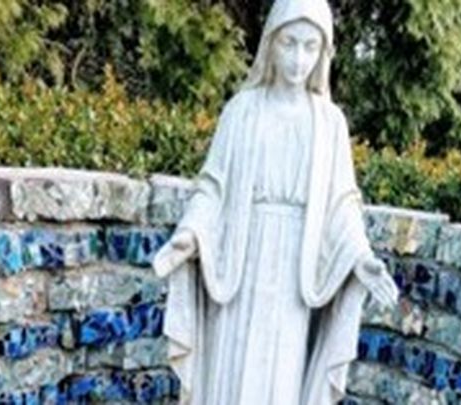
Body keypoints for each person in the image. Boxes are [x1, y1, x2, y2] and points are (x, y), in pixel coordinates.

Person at [152, 0, 399, 403]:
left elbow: (342, 204)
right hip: (242, 260)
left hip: (293, 274)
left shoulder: (330, 124)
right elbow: (212, 187)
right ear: (271, 42)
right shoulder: (242, 111)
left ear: (323, 53)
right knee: (232, 365)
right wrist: (191, 233)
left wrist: (359, 256)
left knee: (280, 374)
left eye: (310, 47)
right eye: (289, 43)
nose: (298, 59)